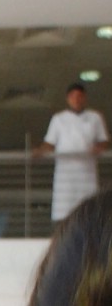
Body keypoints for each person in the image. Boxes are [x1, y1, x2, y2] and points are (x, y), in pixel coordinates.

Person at [35, 82, 109, 224]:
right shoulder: (59, 119)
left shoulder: (95, 117)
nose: (76, 100)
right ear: (68, 99)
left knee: (88, 210)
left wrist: (98, 148)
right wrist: (40, 151)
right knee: (65, 212)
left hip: (86, 173)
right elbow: (50, 143)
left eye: (79, 96)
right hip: (65, 175)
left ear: (84, 98)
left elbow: (103, 140)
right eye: (73, 97)